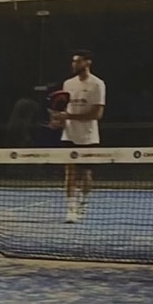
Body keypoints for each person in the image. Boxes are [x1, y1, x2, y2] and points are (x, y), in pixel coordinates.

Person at [49, 50, 106, 222]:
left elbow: (97, 114)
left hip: (89, 137)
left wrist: (69, 117)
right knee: (70, 173)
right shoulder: (68, 84)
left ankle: (84, 202)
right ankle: (71, 209)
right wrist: (58, 121)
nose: (74, 64)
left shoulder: (97, 84)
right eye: (73, 61)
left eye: (78, 61)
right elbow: (65, 109)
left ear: (88, 62)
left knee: (86, 174)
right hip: (69, 135)